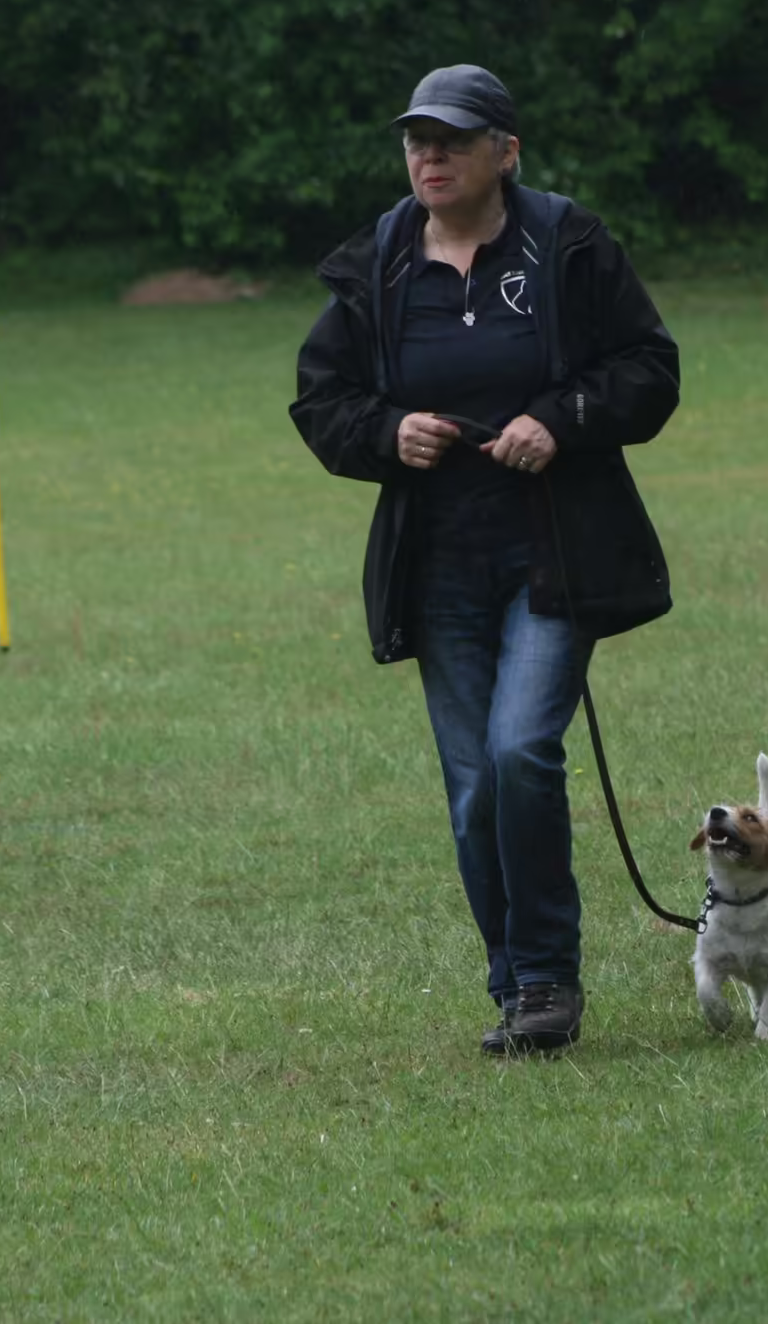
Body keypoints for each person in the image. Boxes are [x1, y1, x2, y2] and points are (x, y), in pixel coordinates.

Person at [289, 65, 680, 1056]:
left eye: (451, 141)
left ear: (504, 152)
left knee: (517, 752)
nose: (428, 157)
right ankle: (517, 987)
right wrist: (389, 432)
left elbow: (648, 368)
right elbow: (322, 400)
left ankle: (547, 976)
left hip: (554, 554)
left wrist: (557, 421)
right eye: (416, 140)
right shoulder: (380, 260)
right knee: (472, 787)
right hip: (438, 568)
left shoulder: (565, 243)